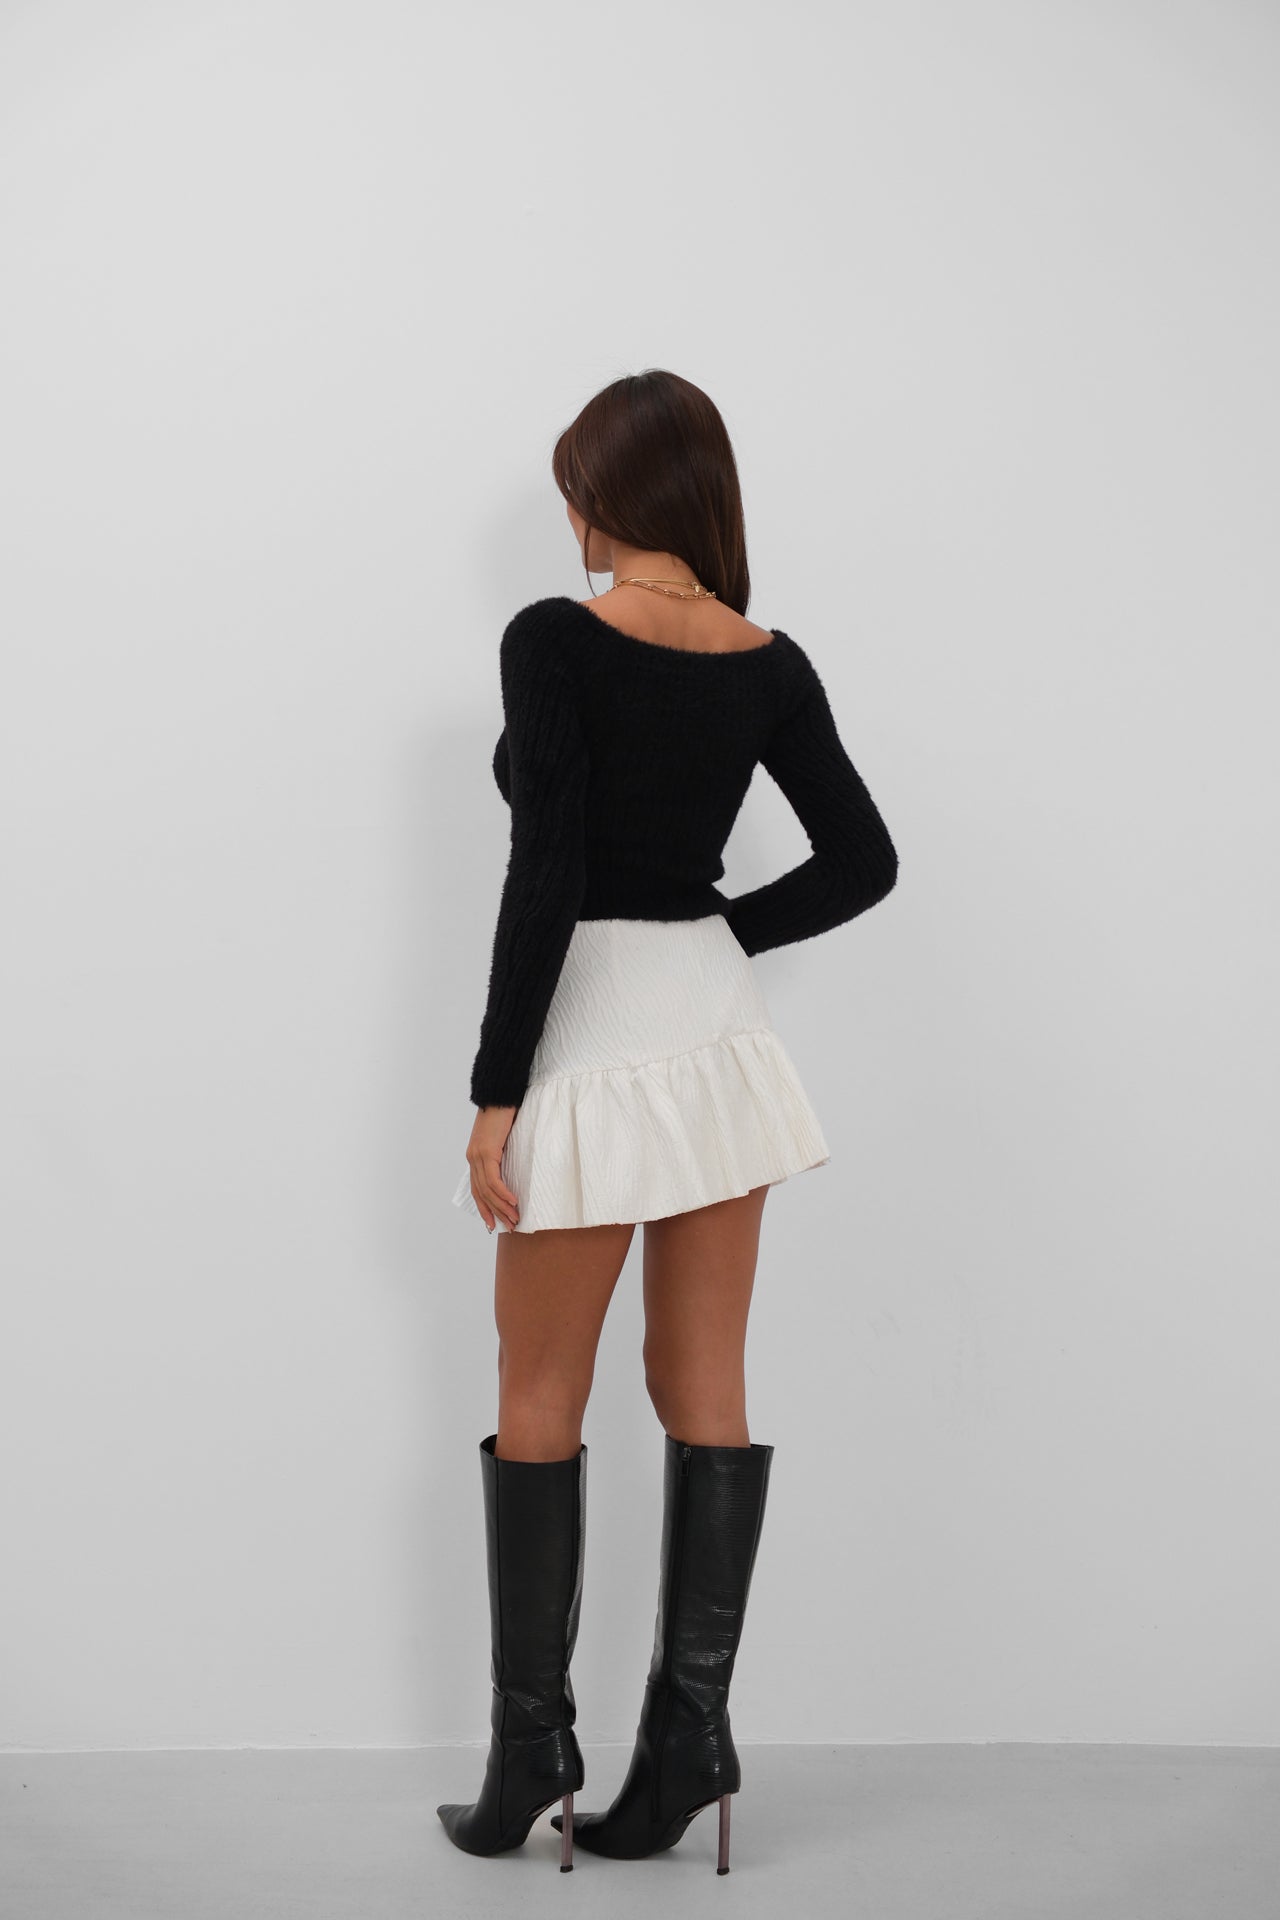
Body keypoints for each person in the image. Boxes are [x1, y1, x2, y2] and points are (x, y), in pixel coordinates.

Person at [437, 369, 899, 1873]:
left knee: (540, 1387)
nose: (567, 519)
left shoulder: (555, 638)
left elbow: (547, 871)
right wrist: (717, 940)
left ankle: (530, 1750)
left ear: (605, 498)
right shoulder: (767, 659)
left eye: (573, 491)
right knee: (701, 1377)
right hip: (712, 1029)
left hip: (588, 1025)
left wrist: (494, 1091)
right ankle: (689, 1739)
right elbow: (864, 860)